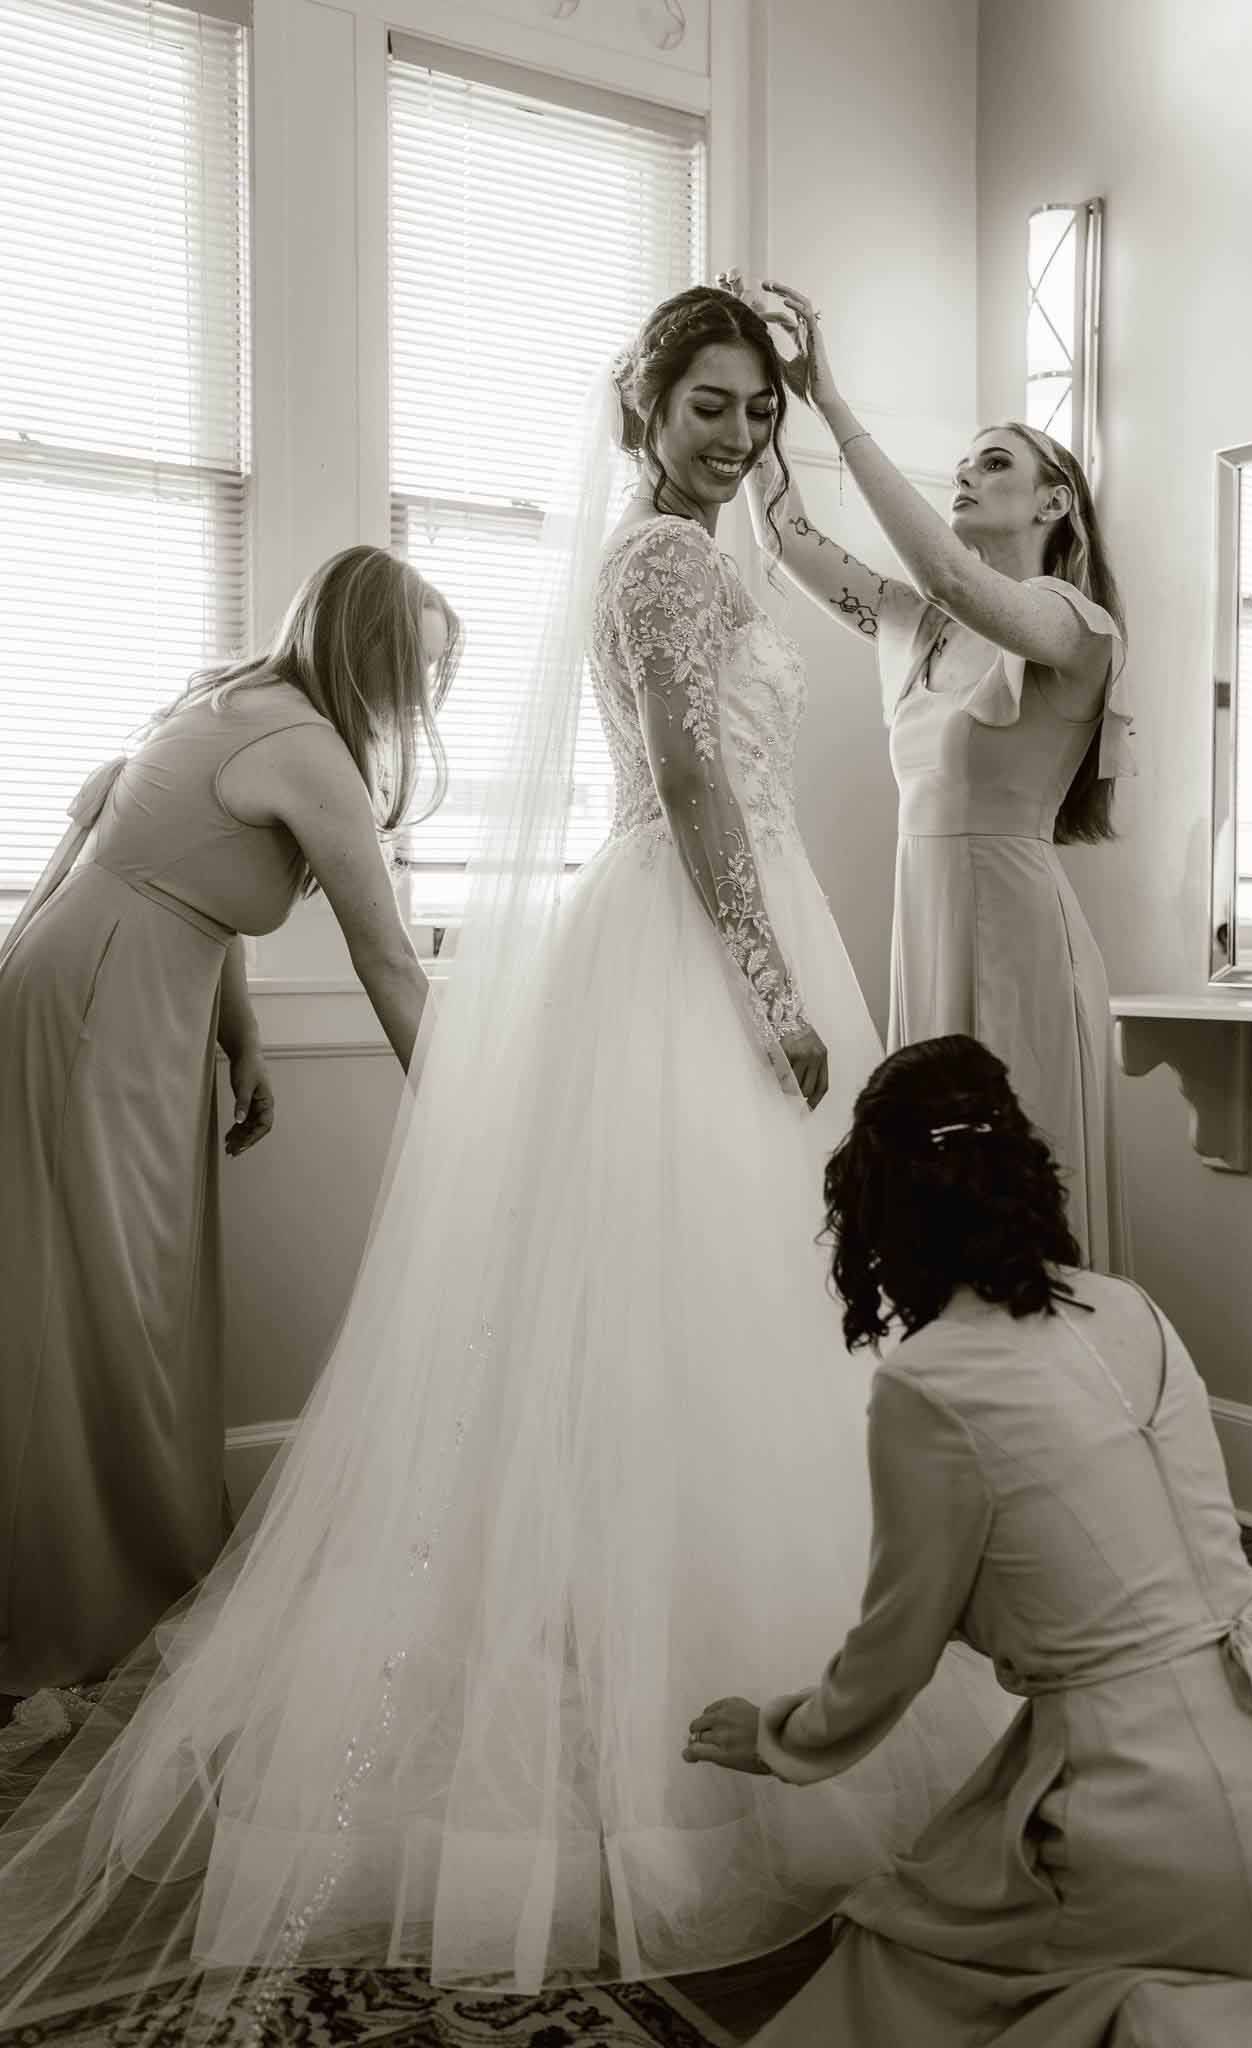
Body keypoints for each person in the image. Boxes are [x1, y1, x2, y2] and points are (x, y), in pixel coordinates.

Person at [0, 290, 1016, 2038]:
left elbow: (851, 594)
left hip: (710, 921)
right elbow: (694, 779)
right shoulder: (662, 567)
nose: (737, 429)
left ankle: (732, 1633)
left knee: (740, 1295)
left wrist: (815, 414)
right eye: (709, 403)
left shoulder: (702, 545)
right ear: (647, 406)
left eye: (754, 407)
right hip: (711, 936)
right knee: (729, 1286)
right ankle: (696, 1671)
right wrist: (771, 990)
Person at [684, 1034, 1252, 2047]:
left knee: (891, 1953)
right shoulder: (1132, 1307)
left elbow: (894, 1647)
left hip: (1155, 1816)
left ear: (880, 1209)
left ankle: (1163, 2013)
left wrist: (782, 1737)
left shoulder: (929, 1381)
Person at [0, 545, 460, 1703]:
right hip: (105, 1001)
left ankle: (130, 1570)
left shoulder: (241, 699)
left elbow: (195, 880)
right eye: (416, 672)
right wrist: (466, 1117)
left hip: (145, 990)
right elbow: (390, 965)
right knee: (92, 1297)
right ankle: (68, 1598)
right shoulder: (302, 747)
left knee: (138, 1295)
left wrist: (239, 1033)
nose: (421, 701)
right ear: (371, 656)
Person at [732, 278, 1133, 1270]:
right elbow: (784, 539)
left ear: (1054, 499)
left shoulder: (1074, 627)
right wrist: (765, 403)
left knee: (1022, 1199)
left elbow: (956, 575)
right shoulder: (914, 621)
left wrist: (833, 399)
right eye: (958, 466)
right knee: (929, 1202)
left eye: (993, 463)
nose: (966, 477)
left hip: (1020, 939)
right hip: (927, 926)